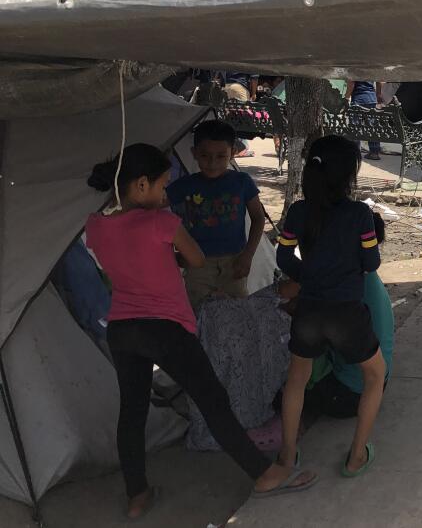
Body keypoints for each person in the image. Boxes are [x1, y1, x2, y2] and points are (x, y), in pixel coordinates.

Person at [85, 144, 316, 518]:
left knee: (132, 412)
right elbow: (195, 260)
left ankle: (137, 494)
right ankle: (263, 473)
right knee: (213, 402)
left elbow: (119, 259)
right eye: (162, 187)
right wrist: (168, 251)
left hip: (123, 329)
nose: (165, 195)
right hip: (166, 330)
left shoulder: (95, 226)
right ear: (141, 184)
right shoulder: (162, 223)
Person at [276, 135, 387, 479]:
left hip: (309, 310)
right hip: (346, 313)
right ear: (348, 176)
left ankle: (288, 455)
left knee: (296, 380)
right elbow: (371, 262)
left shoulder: (297, 211)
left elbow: (283, 257)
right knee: (375, 376)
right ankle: (356, 456)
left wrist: (308, 275)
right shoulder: (361, 215)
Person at [282, 214, 395, 419]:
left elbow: (287, 293)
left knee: (287, 384)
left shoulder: (344, 281)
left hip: (351, 393)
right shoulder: (366, 275)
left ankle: (288, 442)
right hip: (376, 382)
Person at [168, 120, 267, 311]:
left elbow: (258, 218)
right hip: (198, 265)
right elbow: (154, 205)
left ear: (234, 152)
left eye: (221, 156)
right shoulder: (185, 185)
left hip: (235, 262)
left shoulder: (242, 182)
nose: (212, 163)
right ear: (194, 153)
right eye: (205, 156)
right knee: (198, 313)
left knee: (238, 313)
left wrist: (248, 255)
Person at [346, 80, 382, 160]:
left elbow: (351, 82)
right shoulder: (372, 68)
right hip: (371, 99)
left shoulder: (356, 67)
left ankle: (355, 152)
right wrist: (378, 97)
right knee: (371, 126)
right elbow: (379, 81)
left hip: (358, 99)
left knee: (355, 127)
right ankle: (374, 152)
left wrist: (346, 97)